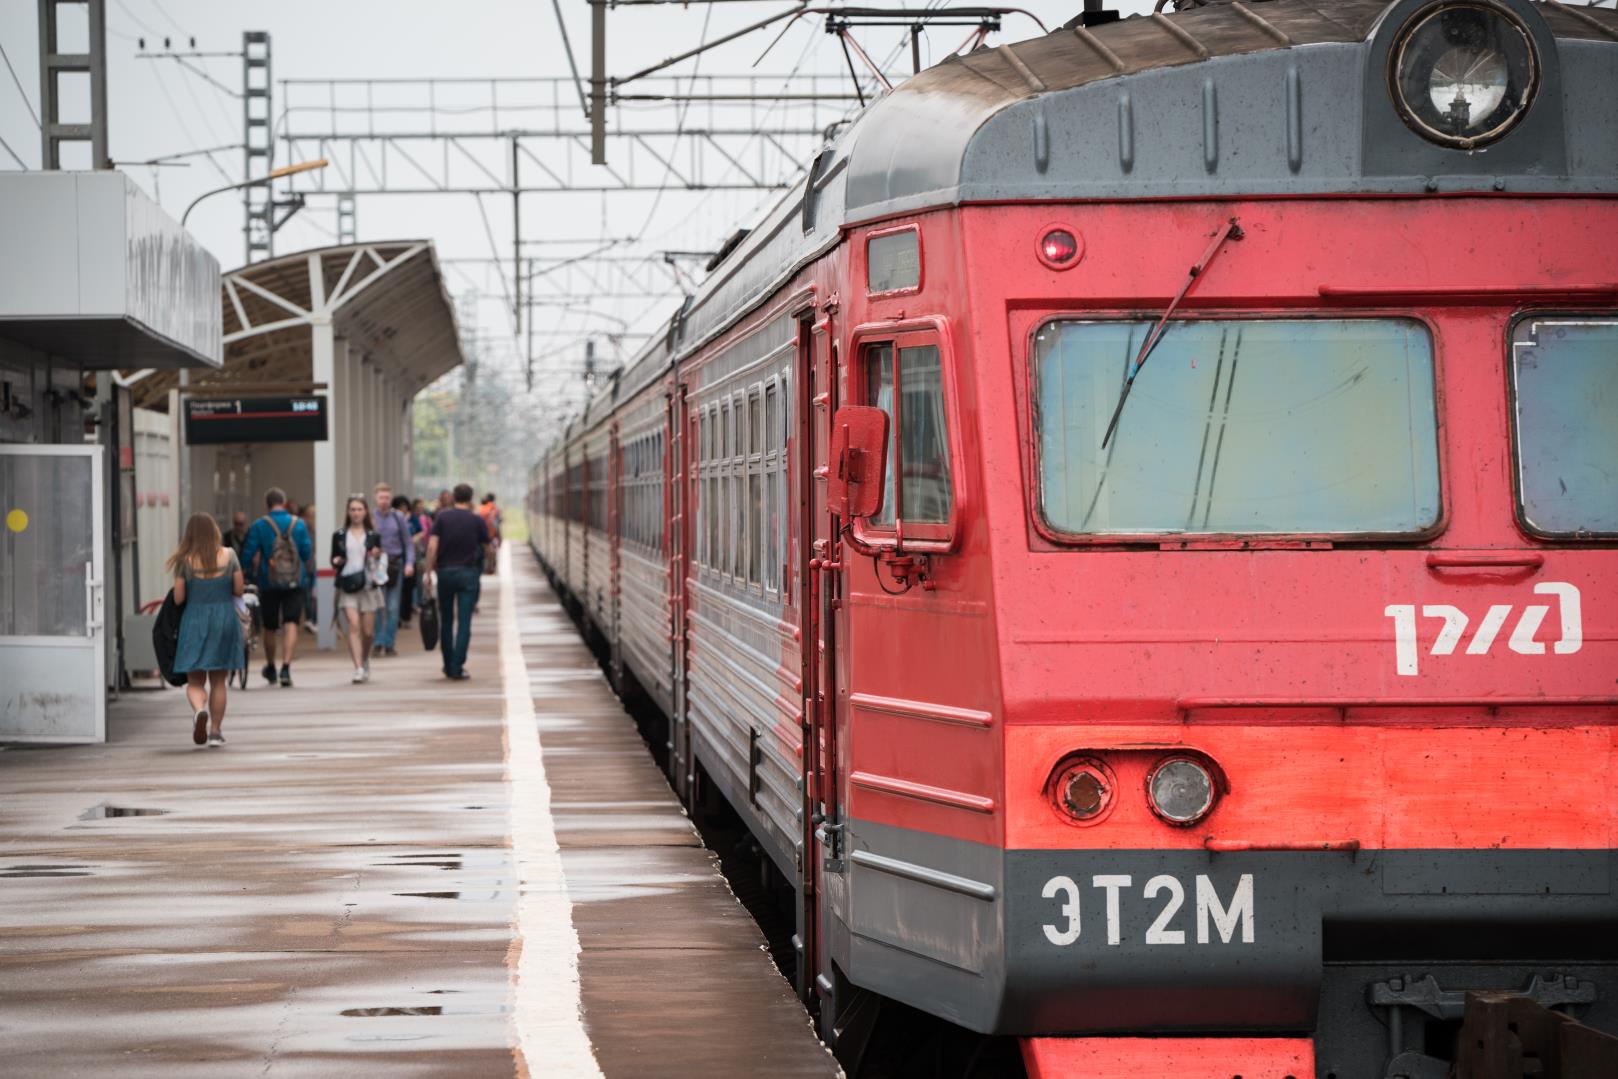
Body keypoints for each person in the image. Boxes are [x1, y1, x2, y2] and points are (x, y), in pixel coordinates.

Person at [168, 513, 245, 747]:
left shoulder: (185, 561)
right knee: (219, 681)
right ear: (214, 531)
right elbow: (239, 590)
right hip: (223, 619)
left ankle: (200, 709)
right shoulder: (230, 555)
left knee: (195, 681)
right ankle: (215, 732)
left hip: (194, 621)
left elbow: (179, 599)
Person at [240, 486, 313, 687]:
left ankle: (271, 666)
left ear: (267, 504)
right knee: (291, 623)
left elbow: (247, 554)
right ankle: (286, 668)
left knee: (270, 627)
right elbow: (307, 553)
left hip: (269, 581)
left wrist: (242, 572)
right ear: (284, 502)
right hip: (295, 581)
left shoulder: (259, 525)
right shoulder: (299, 524)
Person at [425, 483, 491, 680]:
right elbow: (488, 547)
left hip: (445, 573)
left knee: (446, 621)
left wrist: (429, 572)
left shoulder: (442, 517)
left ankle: (447, 664)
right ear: (470, 499)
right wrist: (488, 565)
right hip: (468, 574)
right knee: (464, 623)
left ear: (454, 497)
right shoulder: (476, 520)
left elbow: (432, 545)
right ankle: (457, 665)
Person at [332, 495, 384, 683]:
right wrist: (336, 561)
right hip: (347, 585)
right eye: (352, 509)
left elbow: (380, 561)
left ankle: (365, 658)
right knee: (353, 626)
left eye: (359, 509)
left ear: (365, 512)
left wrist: (376, 555)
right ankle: (358, 667)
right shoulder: (339, 535)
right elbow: (334, 558)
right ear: (348, 512)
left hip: (368, 586)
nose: (356, 513)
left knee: (368, 631)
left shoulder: (373, 535)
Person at [371, 482, 415, 656]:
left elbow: (408, 543)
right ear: (375, 498)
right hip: (375, 566)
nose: (384, 501)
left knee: (392, 606)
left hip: (394, 565)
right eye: (381, 497)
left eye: (387, 498)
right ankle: (378, 641)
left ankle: (389, 643)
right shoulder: (370, 518)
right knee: (376, 606)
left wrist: (409, 563)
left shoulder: (398, 518)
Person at [393, 494, 418, 629]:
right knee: (395, 594)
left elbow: (412, 539)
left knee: (407, 589)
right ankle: (396, 618)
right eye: (399, 507)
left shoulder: (410, 518)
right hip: (394, 561)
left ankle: (405, 616)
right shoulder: (392, 519)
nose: (402, 510)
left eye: (404, 507)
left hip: (407, 559)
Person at [298, 503, 318, 632]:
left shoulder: (319, 529)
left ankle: (314, 619)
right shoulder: (301, 528)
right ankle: (310, 619)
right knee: (307, 596)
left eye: (314, 515)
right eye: (311, 515)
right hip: (304, 567)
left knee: (314, 595)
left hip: (316, 568)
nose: (313, 517)